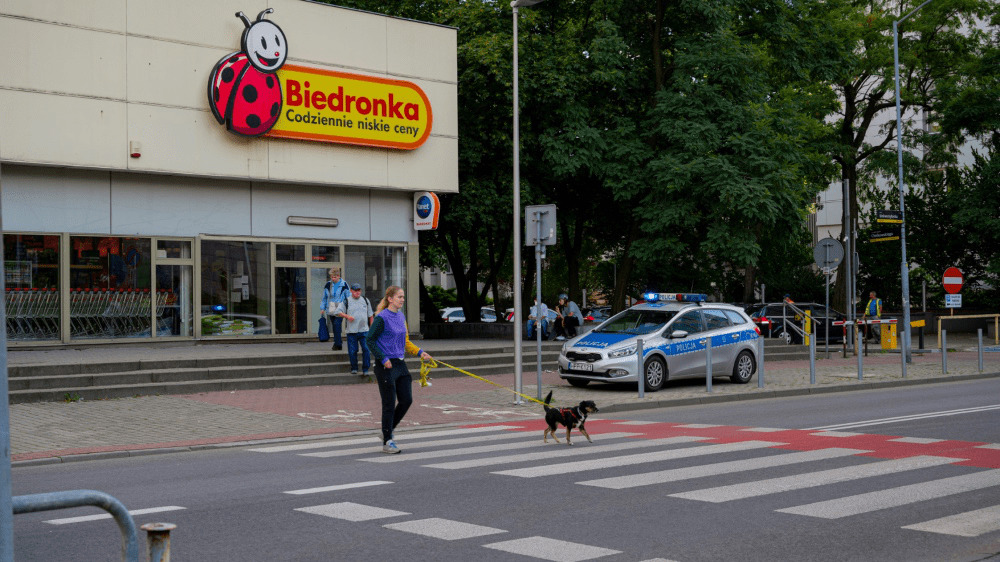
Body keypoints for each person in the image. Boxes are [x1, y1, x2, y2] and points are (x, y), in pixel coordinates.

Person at [365, 286, 432, 454]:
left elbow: (406, 342)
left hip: (400, 364)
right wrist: (383, 358)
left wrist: (420, 352)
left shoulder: (401, 317)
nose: (402, 299)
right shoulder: (381, 318)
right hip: (385, 365)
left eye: (403, 297)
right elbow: (370, 340)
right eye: (399, 297)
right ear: (390, 299)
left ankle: (387, 430)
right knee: (388, 403)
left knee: (406, 400)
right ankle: (387, 441)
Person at [335, 283, 374, 376]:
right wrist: (347, 316)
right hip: (352, 331)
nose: (357, 292)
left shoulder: (365, 300)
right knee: (352, 351)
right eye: (355, 290)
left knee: (366, 350)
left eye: (359, 290)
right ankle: (354, 368)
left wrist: (371, 329)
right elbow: (337, 312)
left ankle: (365, 369)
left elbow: (370, 315)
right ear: (351, 291)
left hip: (364, 330)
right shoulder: (346, 301)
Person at [320, 268, 349, 350]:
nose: (333, 279)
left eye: (334, 277)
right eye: (332, 277)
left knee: (337, 324)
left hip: (340, 308)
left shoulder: (344, 284)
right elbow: (324, 297)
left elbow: (348, 296)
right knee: (335, 326)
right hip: (331, 308)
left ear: (338, 276)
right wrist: (322, 308)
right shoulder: (328, 285)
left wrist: (348, 306)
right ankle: (338, 340)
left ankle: (338, 344)